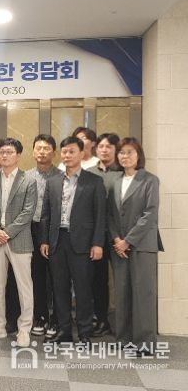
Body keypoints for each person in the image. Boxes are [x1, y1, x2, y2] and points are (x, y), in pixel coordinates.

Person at [40, 136, 106, 344]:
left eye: (71, 151)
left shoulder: (94, 181)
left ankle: (85, 332)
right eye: (64, 152)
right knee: (59, 289)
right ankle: (64, 331)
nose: (67, 155)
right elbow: (46, 214)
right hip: (57, 240)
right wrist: (44, 240)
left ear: (82, 153)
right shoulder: (53, 181)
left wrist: (97, 243)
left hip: (83, 243)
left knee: (83, 289)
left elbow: (100, 216)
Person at [108, 137, 163, 354]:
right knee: (122, 294)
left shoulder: (150, 180)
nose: (125, 156)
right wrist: (116, 240)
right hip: (119, 247)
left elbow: (150, 214)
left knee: (143, 294)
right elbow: (111, 215)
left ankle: (145, 343)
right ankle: (124, 339)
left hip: (142, 245)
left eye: (130, 152)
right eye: (121, 152)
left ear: (138, 155)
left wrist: (127, 240)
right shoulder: (115, 181)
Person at [0, 138, 36, 348]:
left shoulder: (28, 180)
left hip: (19, 239)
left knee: (24, 287)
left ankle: (24, 329)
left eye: (9, 152)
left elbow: (28, 211)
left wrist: (7, 232)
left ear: (18, 155)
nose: (4, 155)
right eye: (1, 152)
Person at [25, 134, 61, 338]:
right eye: (38, 148)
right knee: (36, 275)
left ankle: (56, 318)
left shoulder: (61, 176)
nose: (42, 152)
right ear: (33, 152)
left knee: (57, 276)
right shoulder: (26, 176)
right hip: (31, 229)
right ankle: (40, 316)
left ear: (54, 153)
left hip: (55, 230)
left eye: (46, 148)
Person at [88, 132, 121, 338]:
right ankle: (102, 320)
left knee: (122, 280)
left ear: (116, 150)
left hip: (119, 236)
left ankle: (125, 322)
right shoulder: (89, 173)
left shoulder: (123, 173)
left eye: (109, 146)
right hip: (96, 236)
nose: (104, 150)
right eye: (101, 146)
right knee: (98, 281)